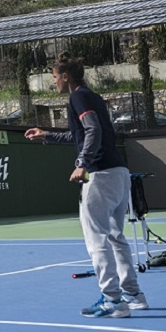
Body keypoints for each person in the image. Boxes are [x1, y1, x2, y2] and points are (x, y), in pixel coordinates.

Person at [24, 52, 147, 318]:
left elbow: (93, 131)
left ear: (65, 77)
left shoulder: (77, 96)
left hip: (100, 174)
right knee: (116, 237)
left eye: (55, 78)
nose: (53, 82)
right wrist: (46, 134)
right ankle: (133, 295)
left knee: (97, 239)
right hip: (119, 172)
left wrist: (82, 163)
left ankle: (112, 299)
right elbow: (79, 134)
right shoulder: (92, 97)